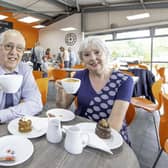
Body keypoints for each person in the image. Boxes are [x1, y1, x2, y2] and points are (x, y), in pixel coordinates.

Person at [56, 37, 134, 145]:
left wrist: (89, 141)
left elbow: (114, 127)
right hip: (80, 132)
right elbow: (62, 107)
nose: (92, 58)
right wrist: (61, 91)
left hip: (109, 138)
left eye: (97, 52)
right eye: (87, 55)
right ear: (82, 59)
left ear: (106, 53)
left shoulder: (124, 81)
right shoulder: (79, 76)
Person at [0, 29, 43, 123]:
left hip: (17, 126)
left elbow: (36, 104)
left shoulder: (25, 69)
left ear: (23, 52)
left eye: (19, 48)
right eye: (8, 46)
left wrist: (3, 115)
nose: (14, 52)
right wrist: (21, 108)